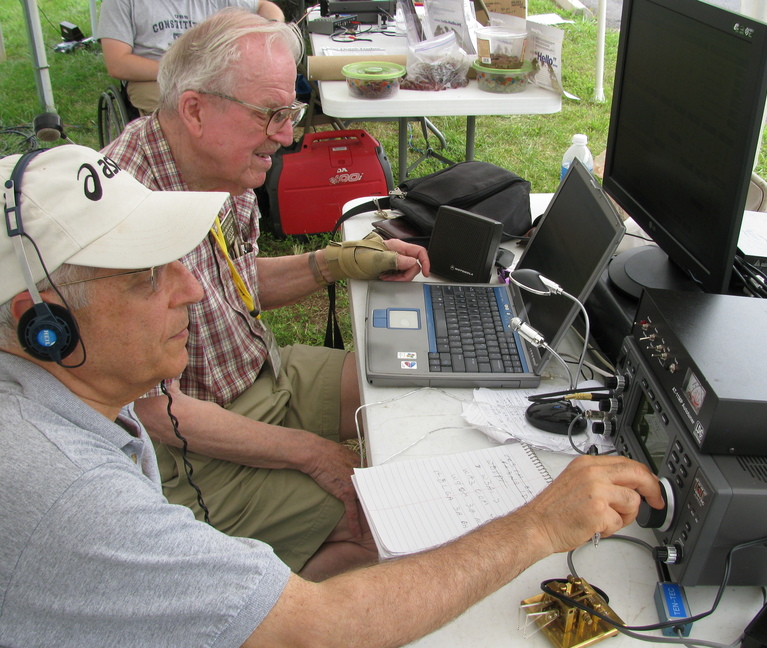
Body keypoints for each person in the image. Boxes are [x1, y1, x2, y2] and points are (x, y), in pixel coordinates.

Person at [0, 144, 664, 646]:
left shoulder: (53, 397)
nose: (193, 290)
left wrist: (335, 264)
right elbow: (315, 626)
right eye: (148, 278)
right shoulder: (63, 491)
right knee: (376, 533)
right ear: (44, 322)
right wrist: (539, 523)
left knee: (388, 370)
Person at [102, 8, 432, 580]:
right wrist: (308, 451)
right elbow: (157, 411)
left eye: (290, 111)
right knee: (376, 528)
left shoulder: (219, 162)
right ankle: (264, 614)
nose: (286, 135)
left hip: (262, 375)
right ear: (196, 110)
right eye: (271, 115)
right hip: (195, 442)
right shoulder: (124, 213)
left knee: (411, 378)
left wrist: (335, 262)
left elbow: (239, 277)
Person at [97, 0, 286, 113]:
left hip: (213, 72)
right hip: (156, 77)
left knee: (251, 108)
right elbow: (118, 63)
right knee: (184, 119)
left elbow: (265, 6)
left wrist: (270, 28)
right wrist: (183, 70)